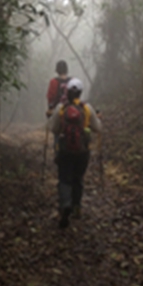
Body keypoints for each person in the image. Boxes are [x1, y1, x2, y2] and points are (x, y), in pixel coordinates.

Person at [50, 77, 101, 228]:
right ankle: (76, 207)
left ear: (67, 92)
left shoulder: (61, 108)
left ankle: (65, 204)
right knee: (78, 178)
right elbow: (98, 129)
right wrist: (98, 119)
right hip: (83, 151)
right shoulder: (87, 108)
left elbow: (54, 129)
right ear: (80, 92)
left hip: (65, 150)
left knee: (64, 179)